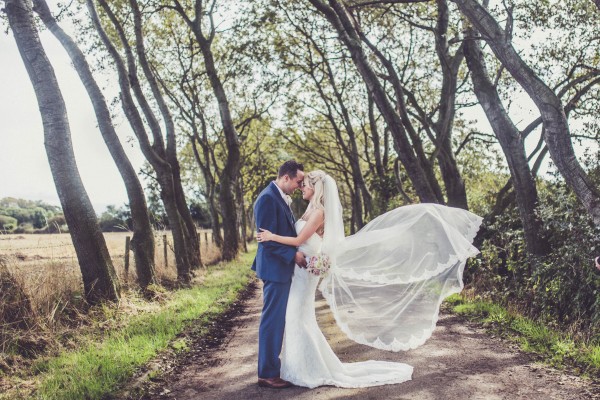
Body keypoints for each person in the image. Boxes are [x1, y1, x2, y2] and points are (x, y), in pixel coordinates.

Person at [257, 170, 483, 388]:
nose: (301, 187)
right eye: (299, 182)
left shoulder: (317, 212)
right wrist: (283, 246)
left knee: (297, 317)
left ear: (315, 187)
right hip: (292, 272)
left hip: (302, 274)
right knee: (292, 318)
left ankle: (299, 369)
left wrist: (273, 237)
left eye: (304, 183)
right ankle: (288, 369)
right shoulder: (294, 205)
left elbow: (297, 240)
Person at [251, 160, 306, 389]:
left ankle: (272, 367)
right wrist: (293, 255)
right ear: (286, 178)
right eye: (297, 181)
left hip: (279, 268)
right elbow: (267, 240)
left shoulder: (278, 196)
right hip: (275, 269)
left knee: (276, 319)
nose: (299, 185)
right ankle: (267, 373)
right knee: (272, 321)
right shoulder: (267, 198)